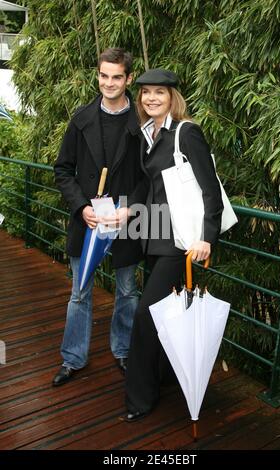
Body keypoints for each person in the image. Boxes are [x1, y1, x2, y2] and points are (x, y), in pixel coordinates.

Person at [102, 68, 224, 421]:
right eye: (146, 93)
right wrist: (128, 212)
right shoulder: (147, 133)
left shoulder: (186, 133)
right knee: (165, 314)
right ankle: (164, 376)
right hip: (153, 237)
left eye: (159, 92)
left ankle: (140, 398)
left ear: (173, 97)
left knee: (145, 314)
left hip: (181, 241)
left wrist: (207, 237)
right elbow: (148, 185)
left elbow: (209, 188)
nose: (151, 98)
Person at [52, 48, 143, 386]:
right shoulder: (80, 119)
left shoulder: (144, 121)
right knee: (80, 292)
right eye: (104, 75)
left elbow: (151, 175)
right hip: (88, 220)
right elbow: (62, 169)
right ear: (98, 75)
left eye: (117, 76)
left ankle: (123, 351)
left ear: (128, 78)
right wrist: (81, 207)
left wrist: (131, 207)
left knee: (128, 292)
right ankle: (73, 358)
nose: (109, 82)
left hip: (126, 220)